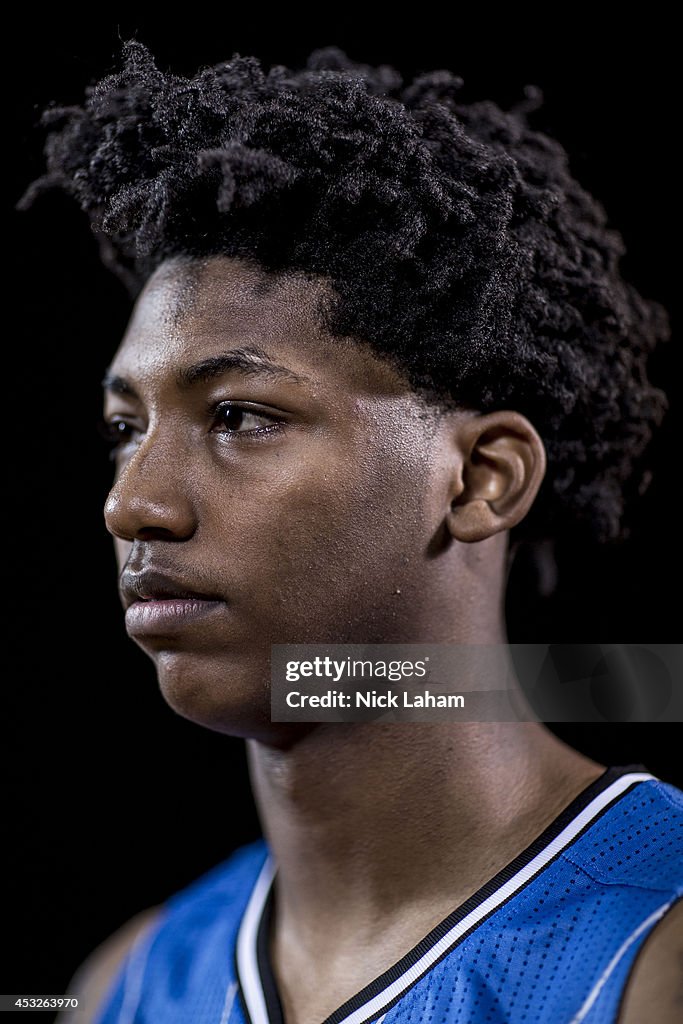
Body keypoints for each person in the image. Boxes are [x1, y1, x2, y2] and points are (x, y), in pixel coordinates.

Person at [18, 39, 682, 1024]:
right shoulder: (122, 982)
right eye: (125, 429)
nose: (131, 504)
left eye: (239, 414)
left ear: (479, 479)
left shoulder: (654, 948)